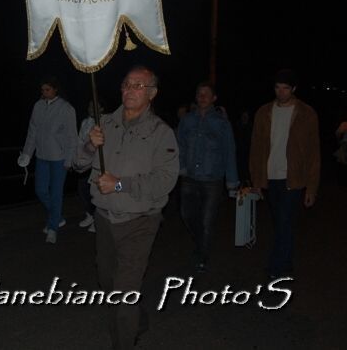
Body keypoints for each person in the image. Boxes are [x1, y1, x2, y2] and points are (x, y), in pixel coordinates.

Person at [76, 66, 179, 349]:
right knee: (106, 280)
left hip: (140, 222)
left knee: (123, 296)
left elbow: (165, 181)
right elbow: (77, 163)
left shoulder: (162, 133)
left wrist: (120, 184)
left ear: (152, 94)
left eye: (138, 85)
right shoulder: (104, 123)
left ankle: (124, 338)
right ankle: (136, 316)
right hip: (105, 219)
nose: (129, 90)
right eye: (126, 84)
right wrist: (88, 146)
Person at [249, 69, 320, 279]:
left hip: (294, 178)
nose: (281, 92)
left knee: (283, 221)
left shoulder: (306, 113)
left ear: (294, 89)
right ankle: (287, 261)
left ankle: (276, 267)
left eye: (286, 88)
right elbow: (256, 149)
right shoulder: (264, 112)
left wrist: (312, 187)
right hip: (270, 177)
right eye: (278, 88)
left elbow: (313, 152)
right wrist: (257, 180)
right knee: (281, 222)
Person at [177, 82, 240, 272]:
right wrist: (179, 168)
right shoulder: (187, 120)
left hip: (212, 179)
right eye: (199, 93)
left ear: (214, 98)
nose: (202, 97)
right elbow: (179, 146)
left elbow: (229, 151)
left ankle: (202, 255)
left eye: (206, 94)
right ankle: (201, 242)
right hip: (189, 176)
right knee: (187, 214)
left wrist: (232, 181)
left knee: (207, 219)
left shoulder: (222, 123)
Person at [18, 76, 77, 244]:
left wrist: (69, 160)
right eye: (42, 90)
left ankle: (53, 228)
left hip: (59, 158)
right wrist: (27, 154)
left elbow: (72, 136)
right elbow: (32, 132)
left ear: (55, 89)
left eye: (47, 90)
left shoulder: (66, 108)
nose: (44, 93)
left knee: (56, 193)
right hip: (42, 157)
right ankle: (57, 217)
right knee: (40, 190)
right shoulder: (38, 106)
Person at [76, 99, 105, 233]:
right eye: (89, 105)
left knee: (95, 191)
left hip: (97, 162)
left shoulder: (105, 122)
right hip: (84, 160)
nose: (91, 108)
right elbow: (80, 140)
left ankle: (97, 219)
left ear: (102, 108)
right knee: (83, 189)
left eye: (95, 106)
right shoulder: (85, 122)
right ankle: (90, 214)